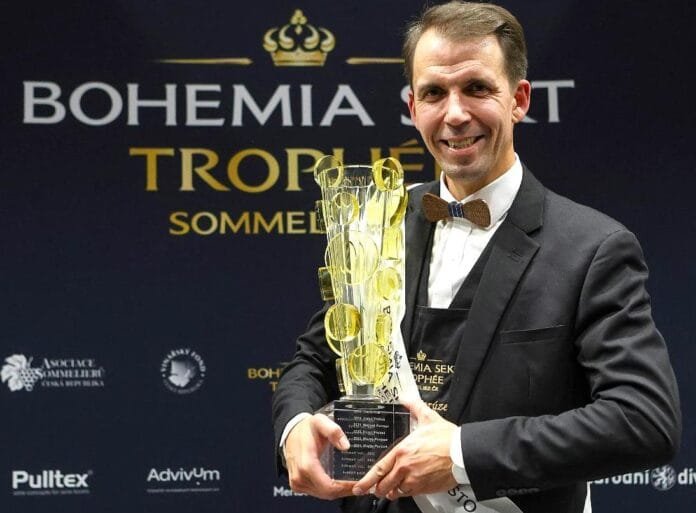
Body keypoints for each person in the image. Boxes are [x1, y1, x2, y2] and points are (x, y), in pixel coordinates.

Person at [271, 2, 681, 512]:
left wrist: (461, 454)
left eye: (477, 88)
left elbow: (643, 420)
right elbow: (315, 359)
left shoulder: (593, 248)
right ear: (413, 107)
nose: (455, 114)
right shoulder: (379, 226)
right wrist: (295, 425)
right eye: (434, 93)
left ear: (519, 99)